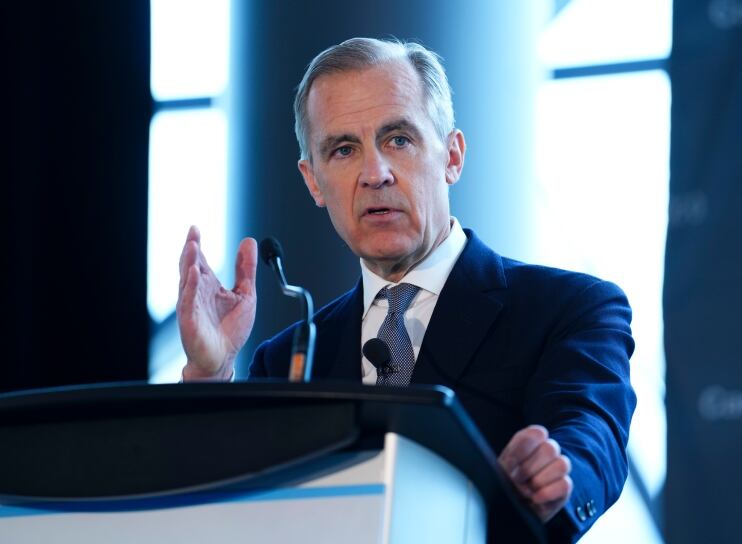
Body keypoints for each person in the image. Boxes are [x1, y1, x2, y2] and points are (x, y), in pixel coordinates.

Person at [177, 37, 635, 542]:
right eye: (344, 149)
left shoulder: (567, 309)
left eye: (398, 139)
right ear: (313, 181)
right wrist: (210, 371)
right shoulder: (286, 361)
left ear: (452, 157)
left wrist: (555, 473)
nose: (375, 174)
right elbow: (221, 509)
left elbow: (592, 436)